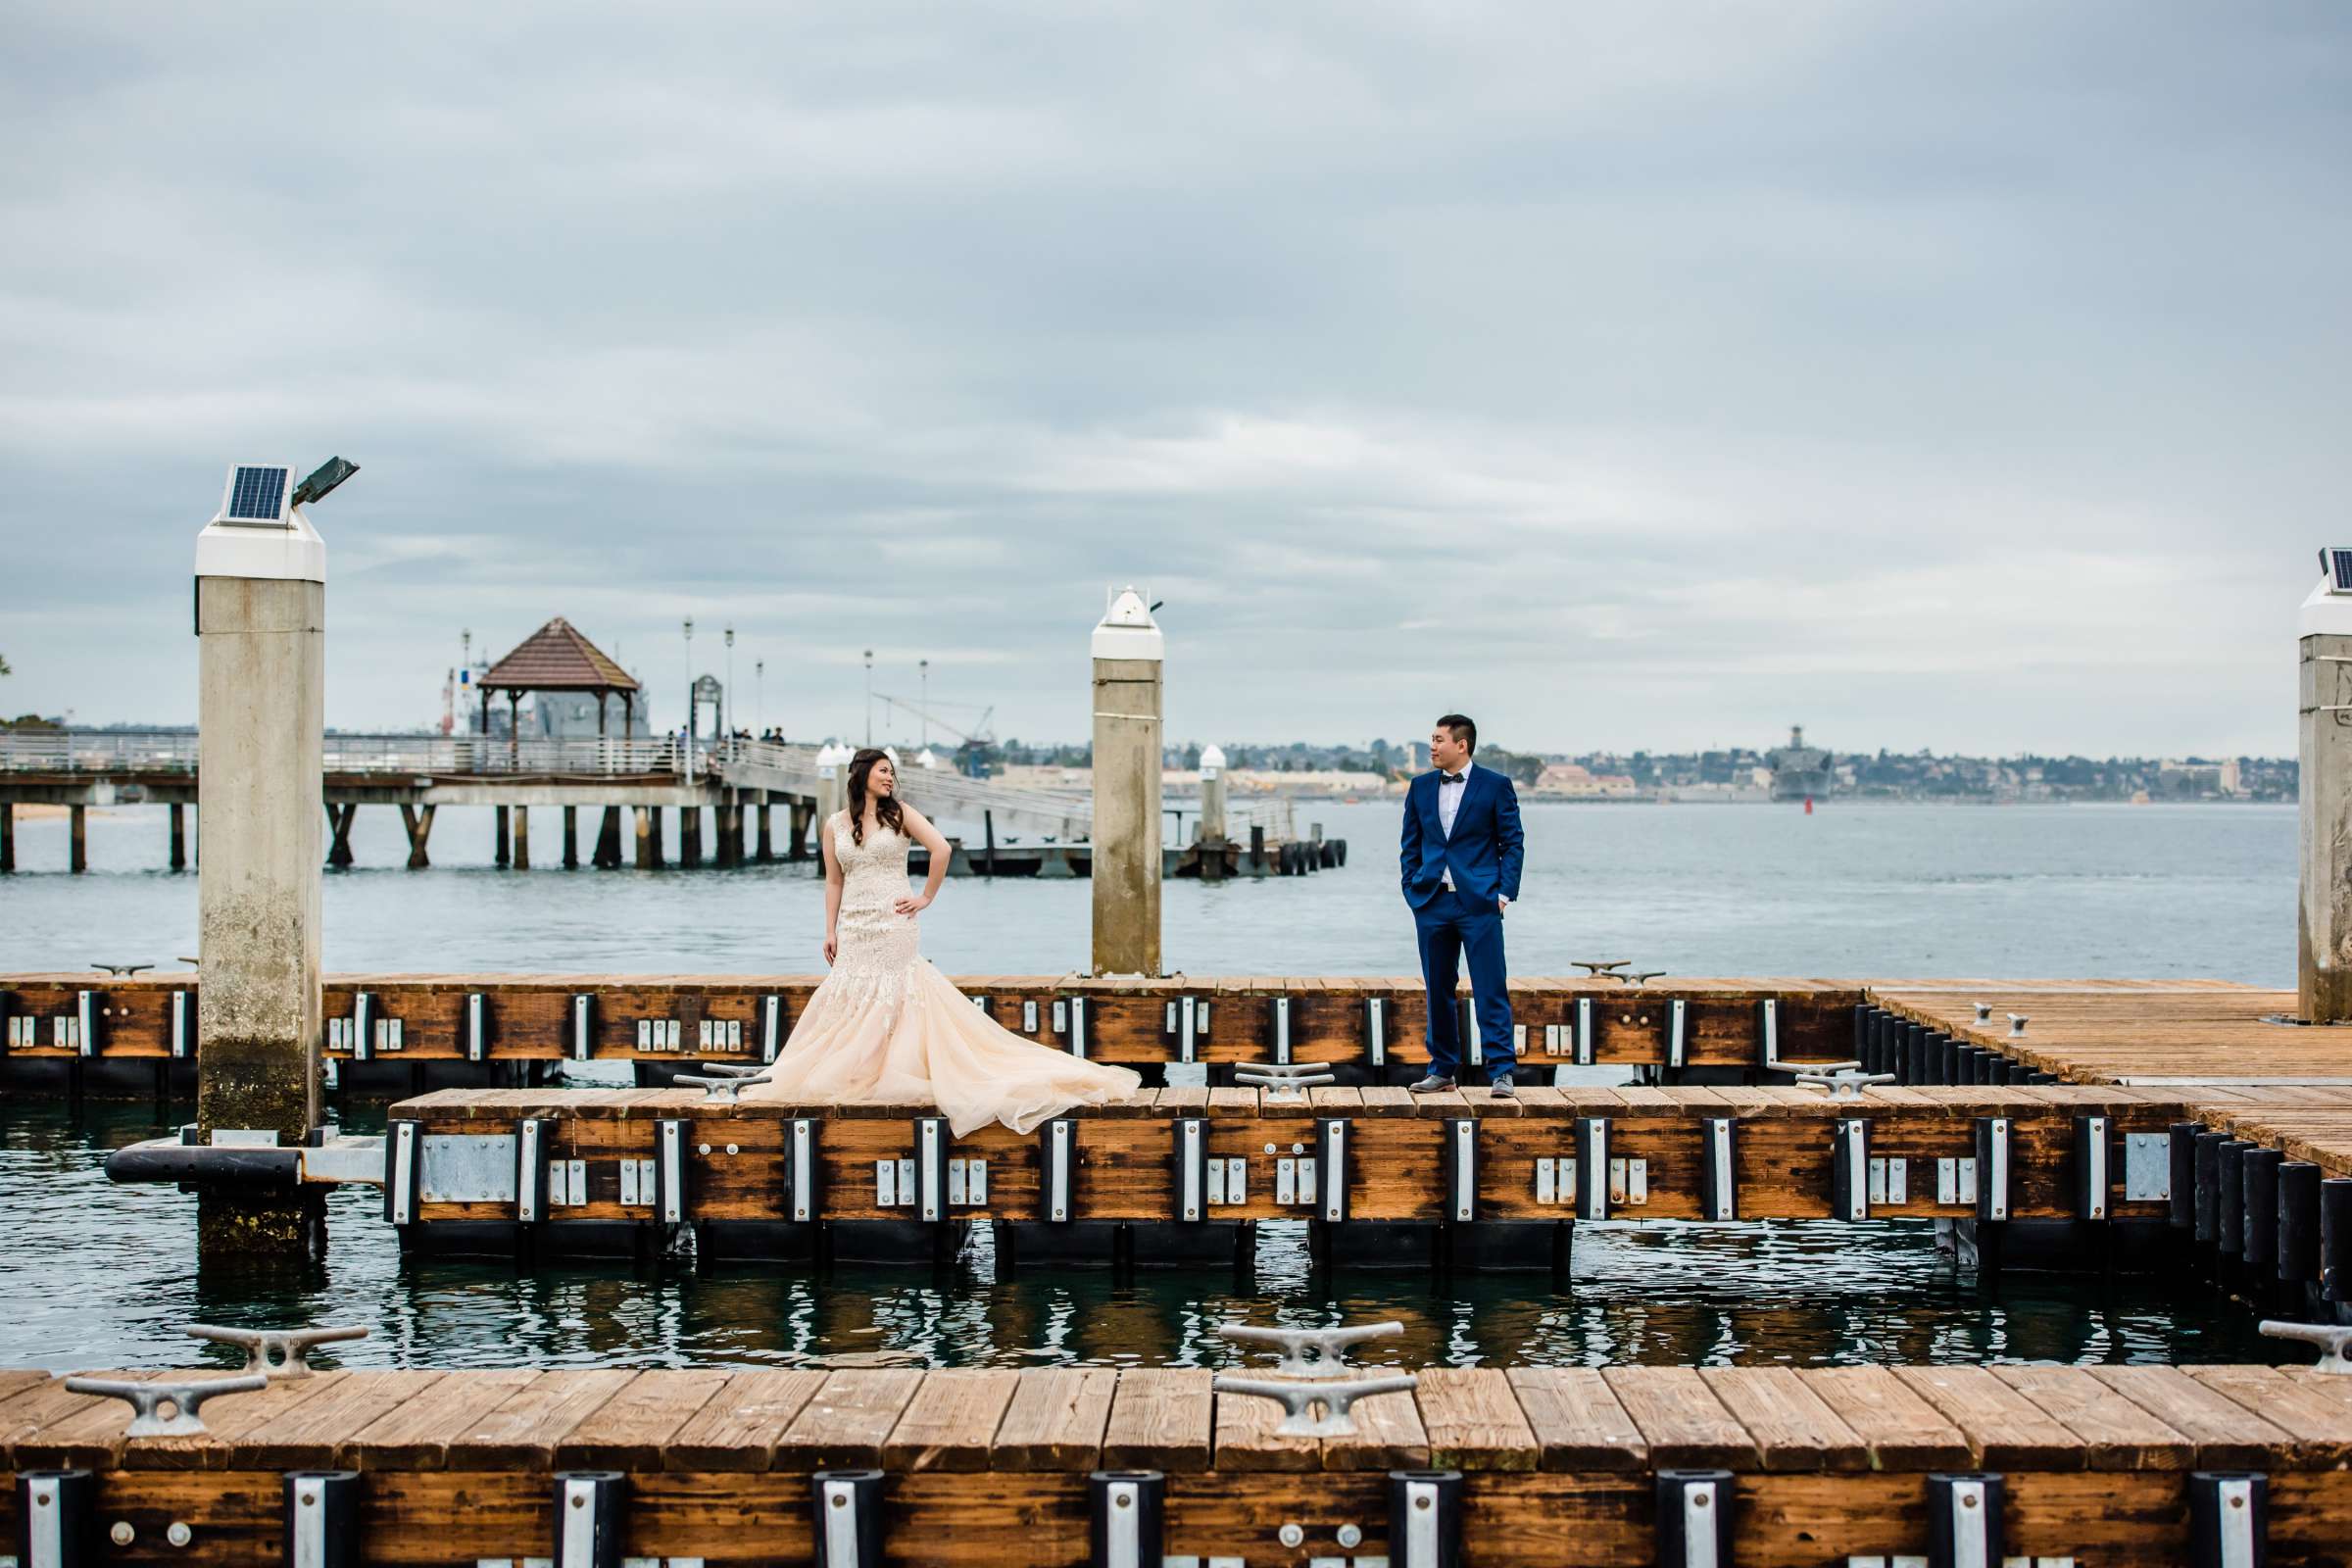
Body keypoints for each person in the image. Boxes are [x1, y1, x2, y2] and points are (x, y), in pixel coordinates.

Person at [739, 747, 1140, 1133]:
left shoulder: (902, 816)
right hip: (854, 927)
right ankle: (859, 1070)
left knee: (893, 993)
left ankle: (890, 1071)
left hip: (894, 921)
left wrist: (925, 897)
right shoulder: (835, 824)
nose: (889, 778)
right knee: (850, 992)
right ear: (861, 774)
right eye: (883, 771)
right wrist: (829, 930)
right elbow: (833, 880)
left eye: (892, 772)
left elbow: (941, 849)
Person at [1399, 713, 1524, 1095]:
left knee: (1490, 987)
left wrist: (1503, 895)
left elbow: (1513, 842)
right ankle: (1442, 1070)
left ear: (1461, 745)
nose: (1432, 747)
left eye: (1438, 740)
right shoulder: (1420, 787)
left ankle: (1501, 1070)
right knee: (1437, 988)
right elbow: (1410, 844)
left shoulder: (1495, 785)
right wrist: (1412, 890)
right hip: (1432, 902)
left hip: (1480, 904)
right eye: (1431, 740)